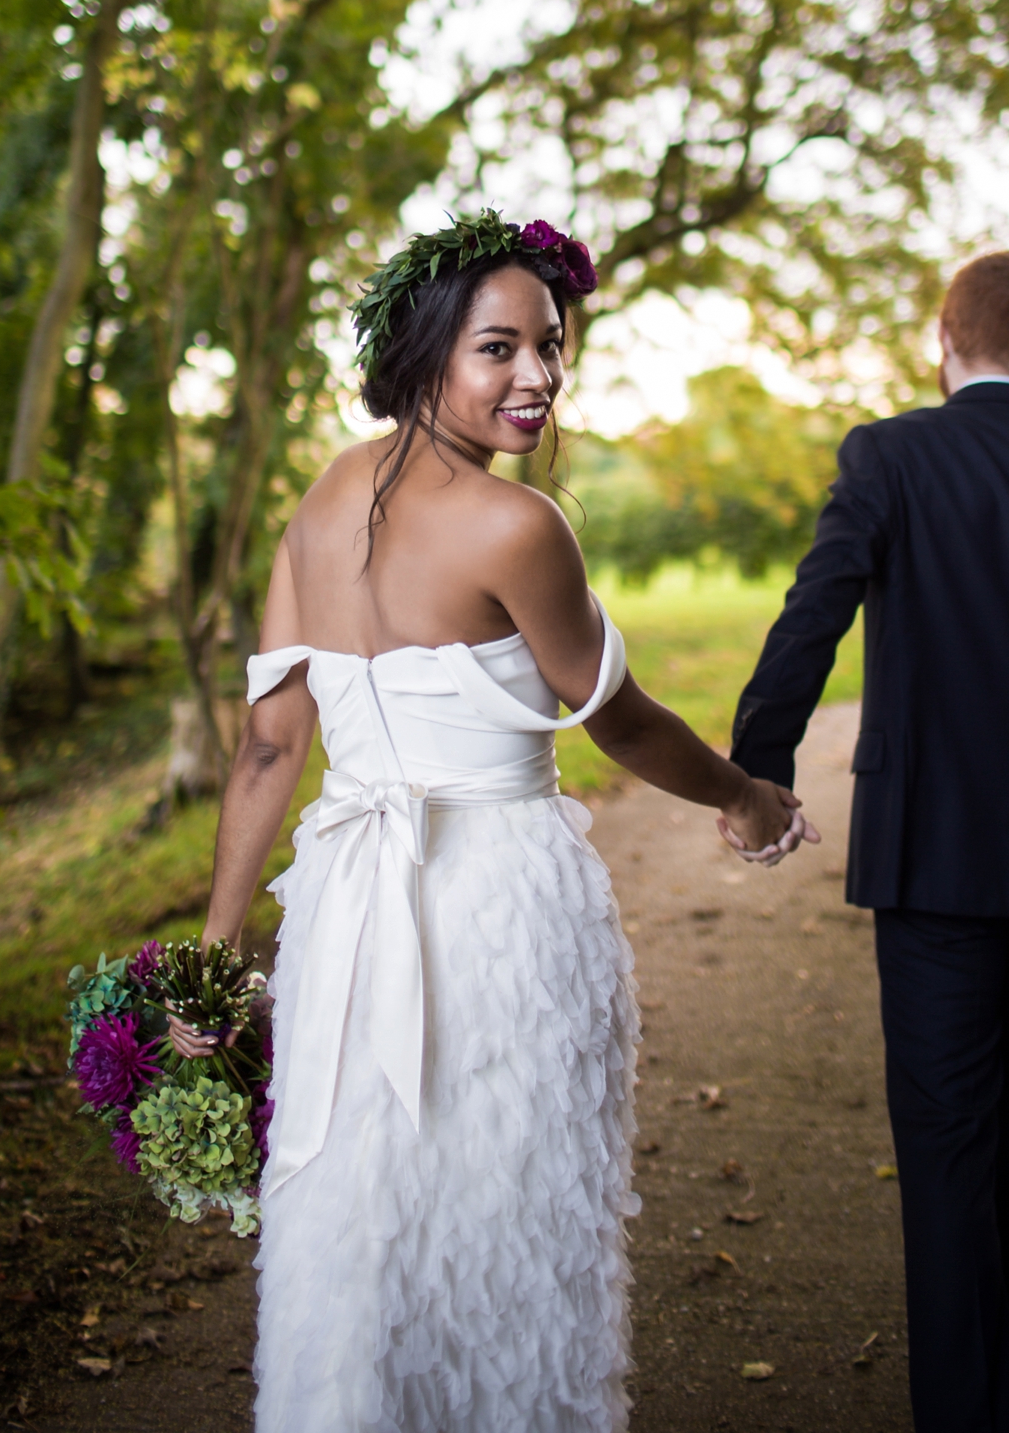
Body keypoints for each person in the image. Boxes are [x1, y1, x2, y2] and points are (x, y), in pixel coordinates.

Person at [169, 209, 818, 1433]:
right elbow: (616, 721)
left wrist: (217, 954)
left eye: (551, 346)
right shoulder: (520, 528)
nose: (537, 376)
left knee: (363, 1205)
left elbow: (270, 742)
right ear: (425, 355)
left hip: (344, 916)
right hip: (497, 912)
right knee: (505, 1215)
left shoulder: (318, 504)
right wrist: (743, 798)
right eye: (499, 349)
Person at [725, 252, 1009, 1432]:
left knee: (945, 1135)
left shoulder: (891, 456)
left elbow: (814, 607)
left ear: (944, 338)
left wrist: (759, 770)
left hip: (930, 852)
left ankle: (969, 1404)